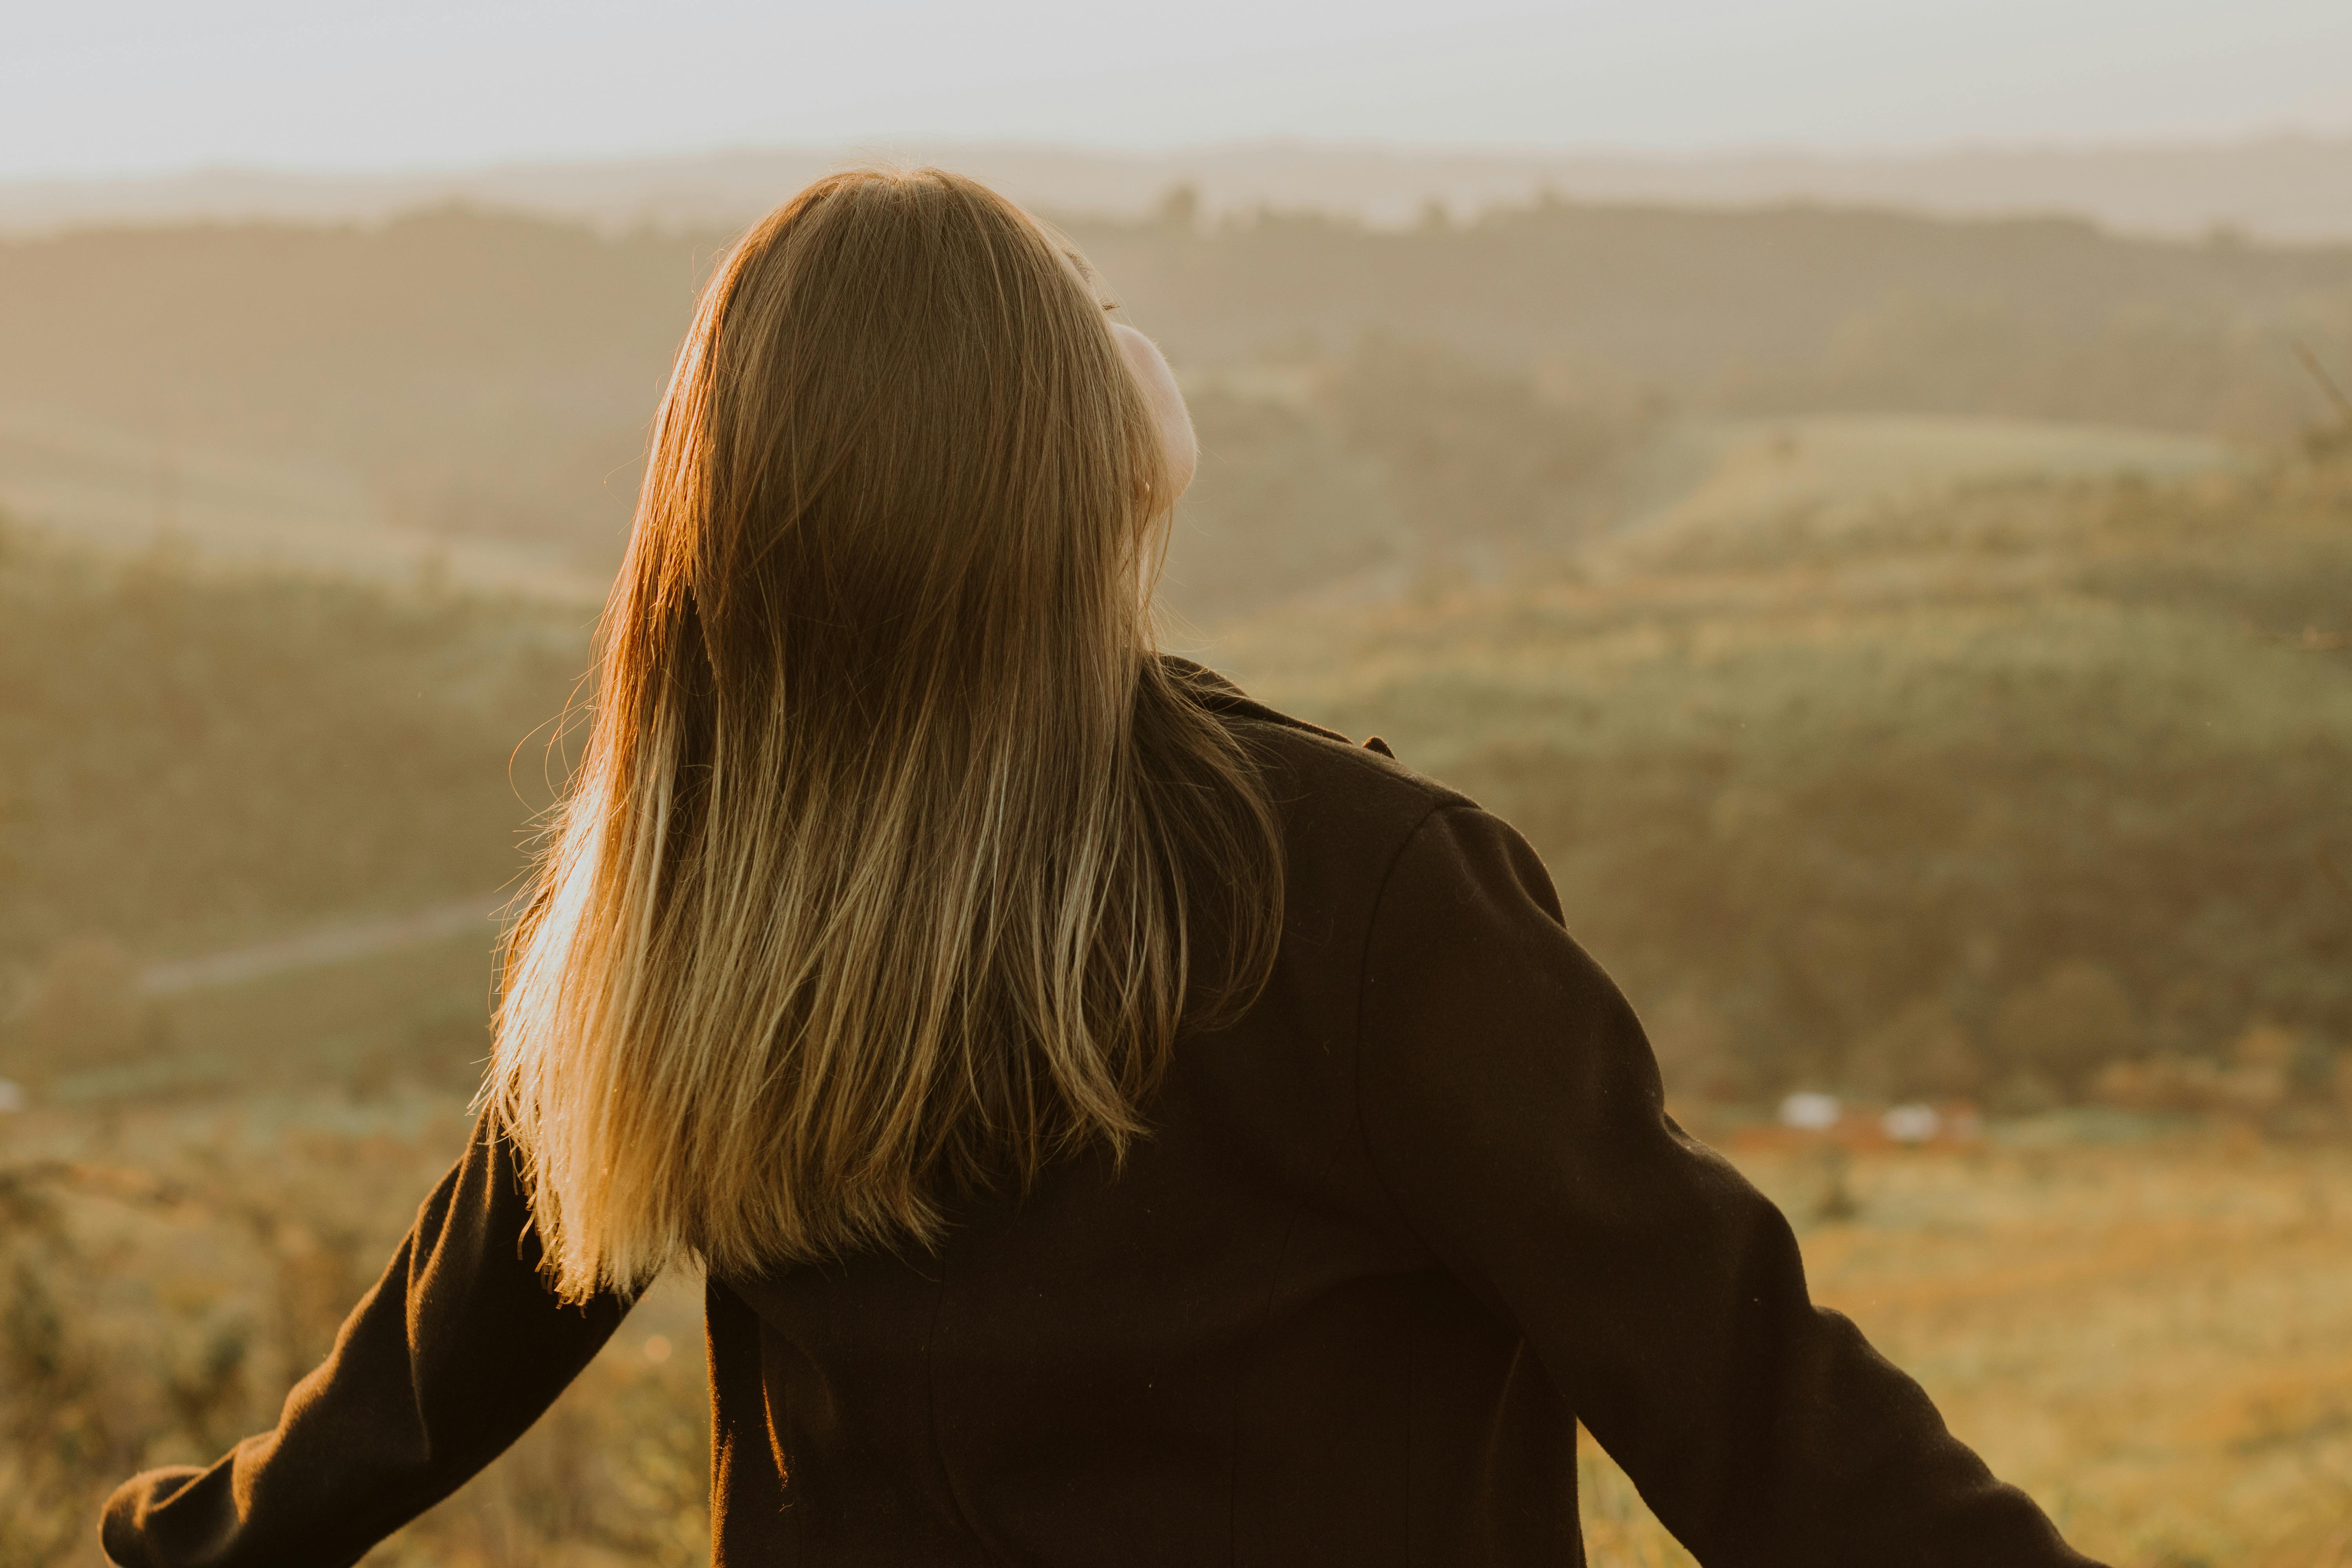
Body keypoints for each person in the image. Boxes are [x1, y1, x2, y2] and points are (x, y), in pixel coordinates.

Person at [101, 167, 2102, 1568]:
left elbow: (460, 1333)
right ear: (1053, 446)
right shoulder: (1375, 903)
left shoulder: (693, 903)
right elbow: (1750, 1401)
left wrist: (204, 1540)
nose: (1126, 311)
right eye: (1082, 292)